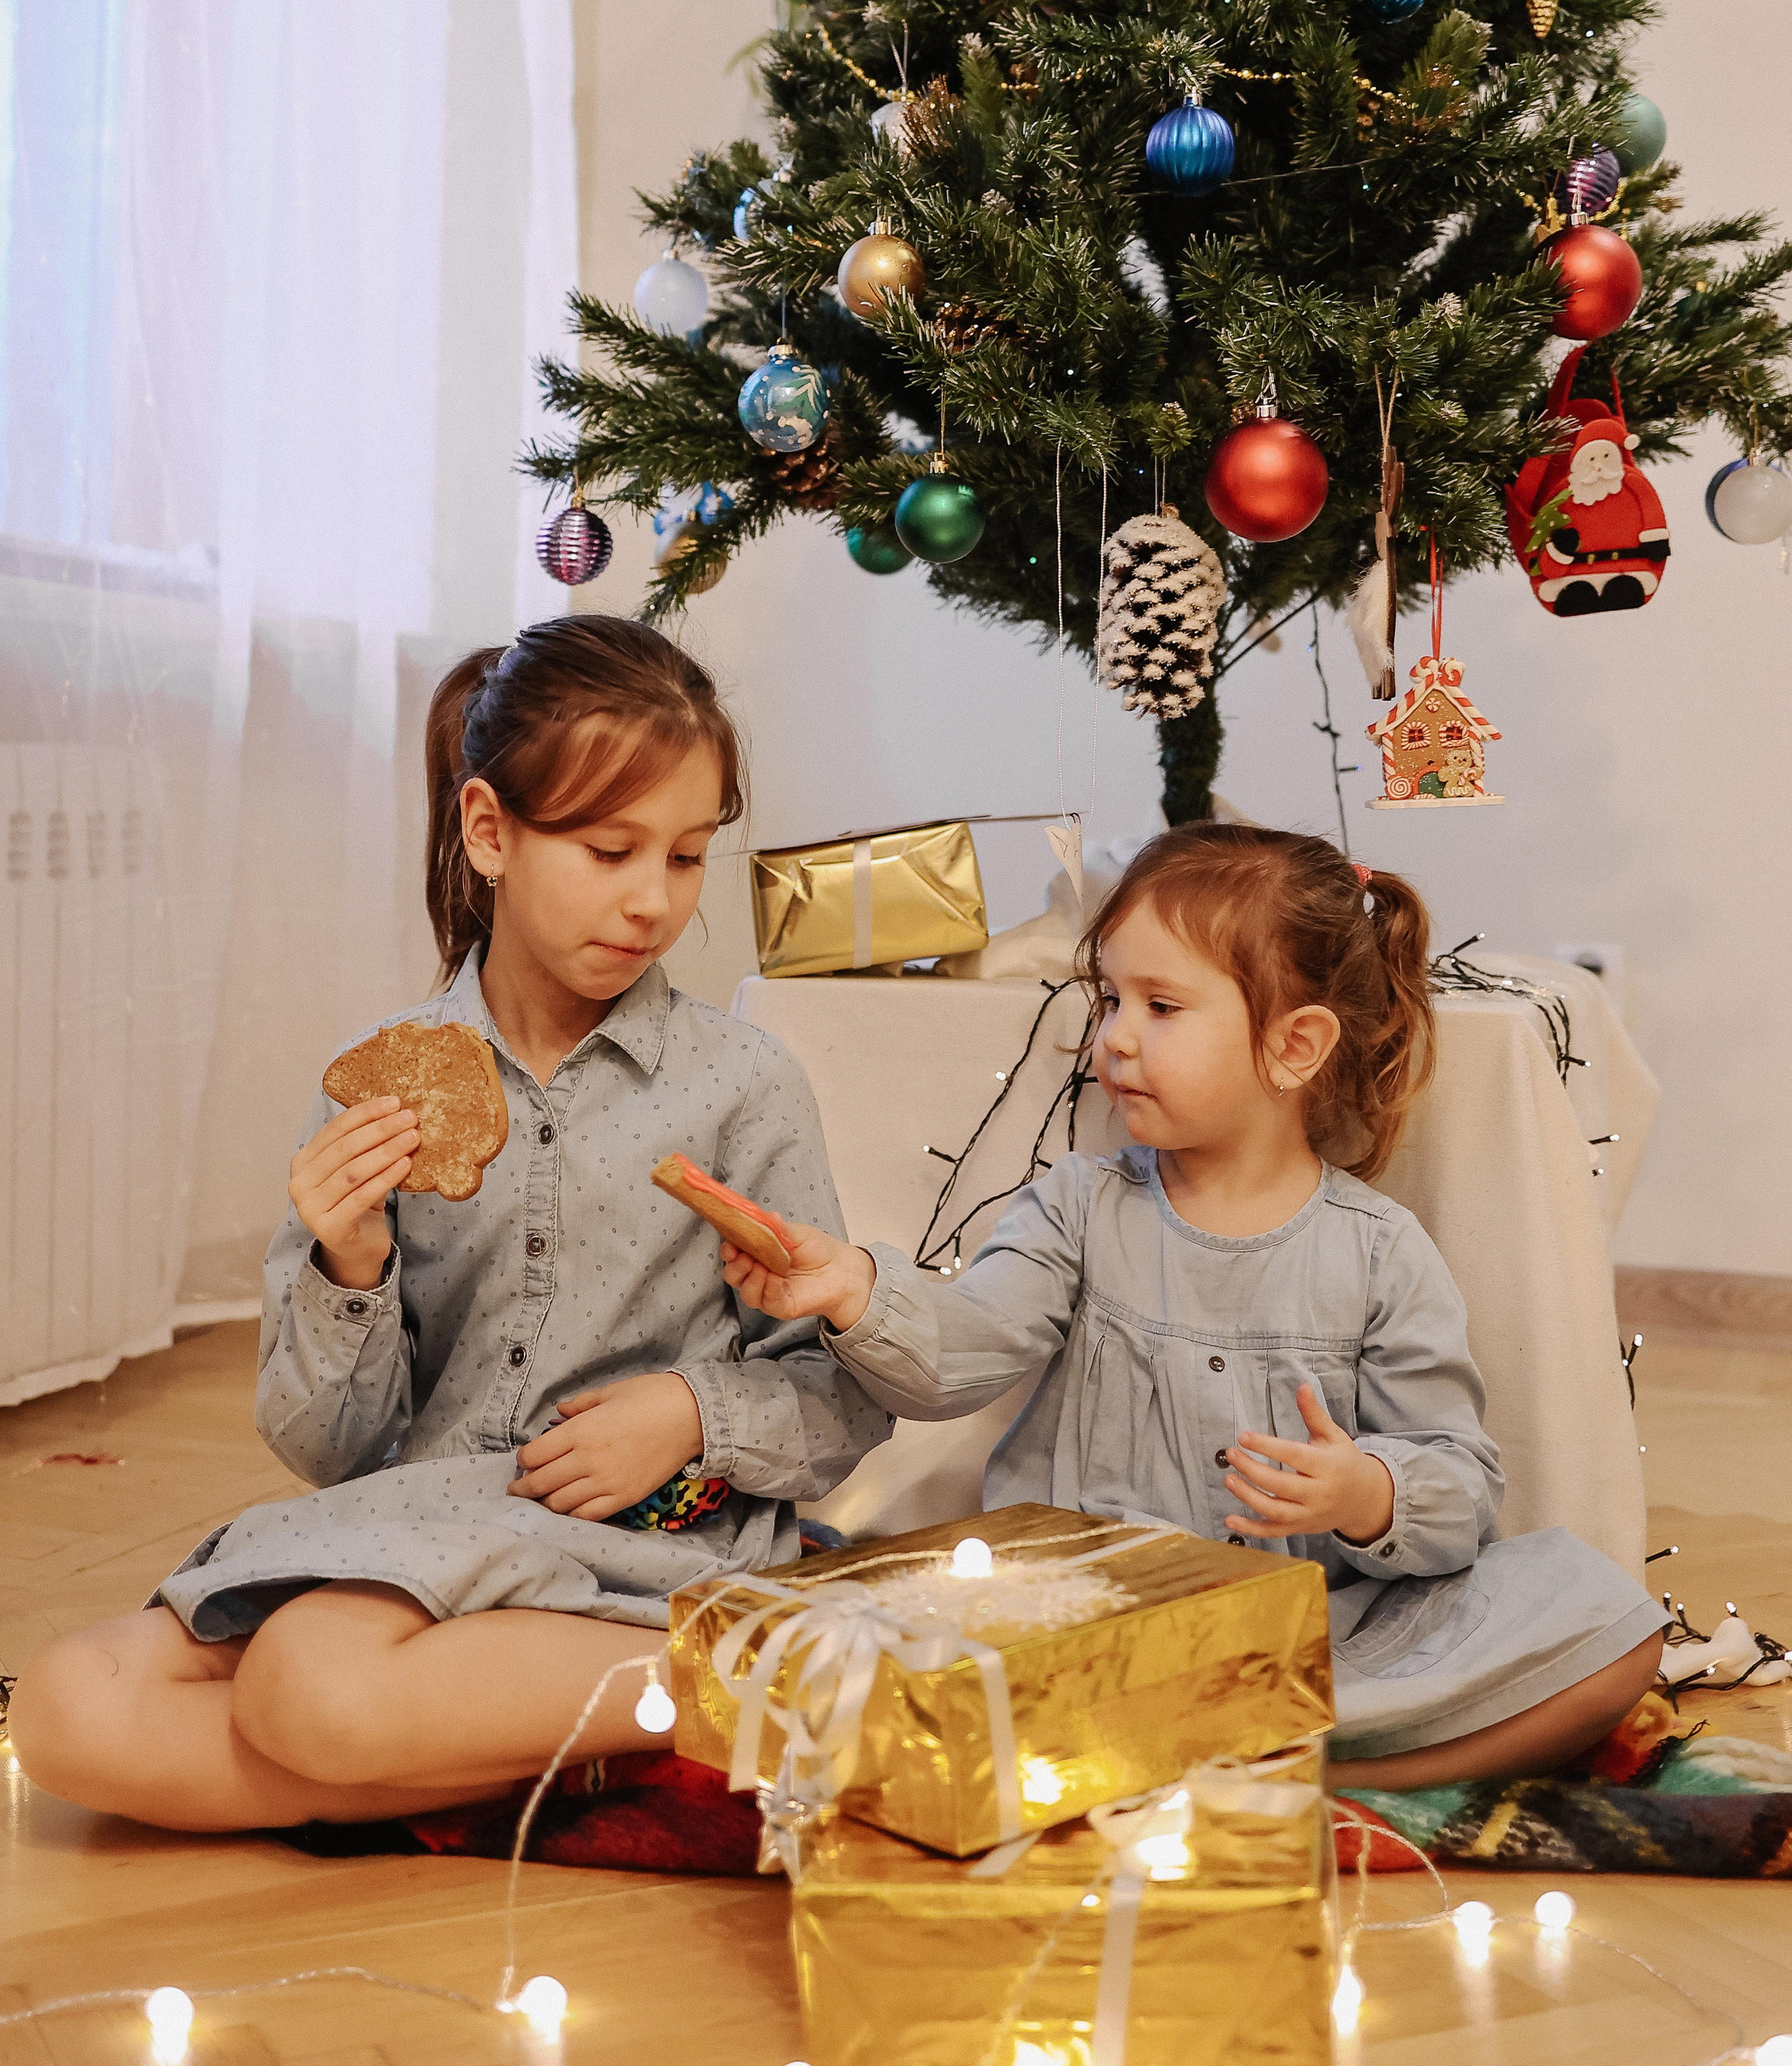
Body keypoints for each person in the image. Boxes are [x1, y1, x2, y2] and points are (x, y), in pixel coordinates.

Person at [10, 616, 888, 1830]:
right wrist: (348, 1262)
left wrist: (688, 1410)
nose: (652, 902)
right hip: (424, 1527)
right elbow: (328, 1450)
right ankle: (495, 1753)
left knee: (308, 1678)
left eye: (684, 859)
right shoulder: (382, 1089)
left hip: (642, 1552)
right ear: (490, 831)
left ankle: (746, 1677)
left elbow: (841, 1392)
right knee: (69, 1704)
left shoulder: (743, 1085)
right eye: (609, 849)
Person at [719, 823, 1665, 1789]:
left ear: (1296, 1045)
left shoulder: (1381, 1254)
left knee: (1612, 1622)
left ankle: (1319, 1778)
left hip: (1312, 1637)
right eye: (1110, 1000)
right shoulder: (1078, 1209)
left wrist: (1360, 1493)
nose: (1115, 1038)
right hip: (1088, 1622)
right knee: (820, 1630)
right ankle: (1222, 1754)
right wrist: (854, 1289)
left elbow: (1459, 1486)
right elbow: (960, 1351)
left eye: (1162, 1006)